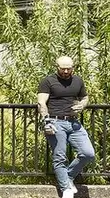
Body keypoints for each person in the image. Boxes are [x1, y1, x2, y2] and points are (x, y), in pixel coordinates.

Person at [39, 55, 95, 198]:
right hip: (55, 122)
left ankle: (68, 177)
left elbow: (85, 97)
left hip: (74, 122)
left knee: (88, 153)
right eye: (62, 69)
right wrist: (46, 120)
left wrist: (82, 105)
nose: (65, 71)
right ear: (57, 67)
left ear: (72, 68)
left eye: (68, 69)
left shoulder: (78, 80)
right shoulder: (48, 81)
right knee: (59, 157)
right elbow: (41, 103)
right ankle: (66, 189)